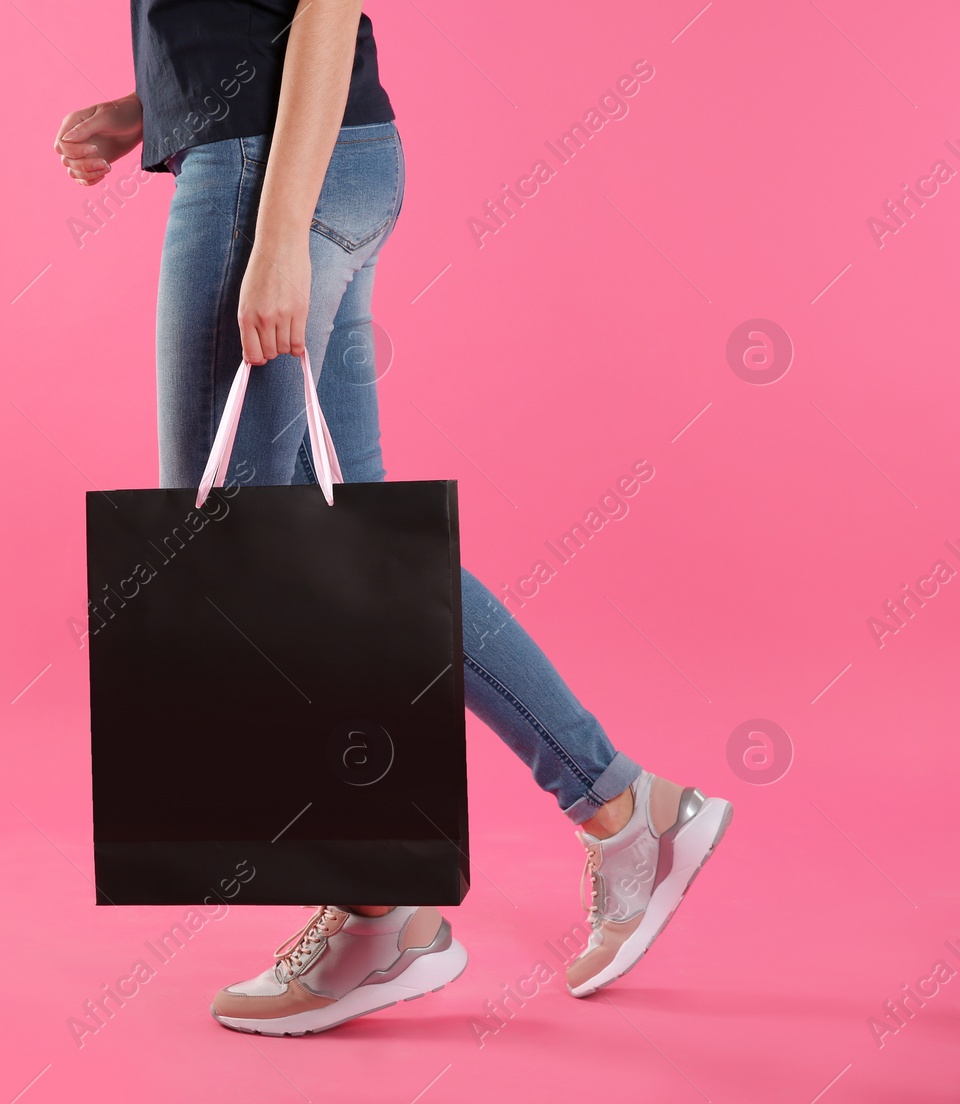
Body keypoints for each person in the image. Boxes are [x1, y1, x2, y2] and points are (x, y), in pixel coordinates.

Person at [54, 0, 734, 1037]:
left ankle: (388, 906)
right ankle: (602, 818)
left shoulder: (266, 197)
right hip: (308, 154)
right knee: (359, 561)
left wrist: (275, 235)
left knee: (230, 560)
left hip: (271, 175)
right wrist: (152, 106)